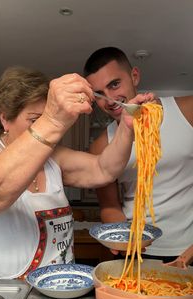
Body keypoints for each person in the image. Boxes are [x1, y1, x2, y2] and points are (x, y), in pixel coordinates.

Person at [0, 66, 152, 279]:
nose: (43, 128)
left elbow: (104, 169)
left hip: (63, 287)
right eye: (34, 120)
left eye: (45, 117)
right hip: (12, 295)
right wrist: (52, 120)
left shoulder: (53, 157)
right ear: (5, 118)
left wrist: (126, 126)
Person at [83, 46, 193, 265]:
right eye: (99, 94)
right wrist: (124, 240)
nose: (110, 100)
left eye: (114, 84)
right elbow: (110, 206)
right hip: (138, 253)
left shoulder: (187, 110)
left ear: (134, 76)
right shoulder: (102, 145)